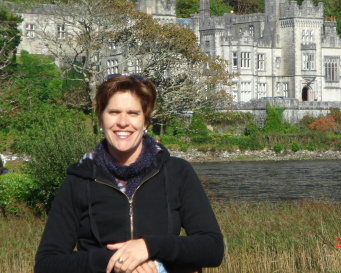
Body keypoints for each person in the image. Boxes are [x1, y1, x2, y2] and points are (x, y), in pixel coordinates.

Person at [35, 74, 224, 273]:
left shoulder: (177, 172)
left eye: (133, 113)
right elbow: (47, 264)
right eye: (114, 112)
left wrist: (149, 247)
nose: (123, 122)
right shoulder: (79, 180)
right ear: (101, 118)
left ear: (146, 122)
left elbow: (212, 248)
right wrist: (118, 261)